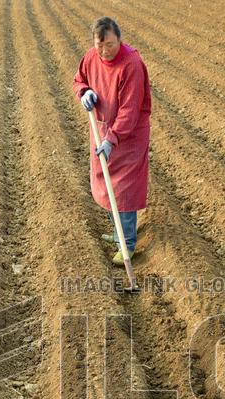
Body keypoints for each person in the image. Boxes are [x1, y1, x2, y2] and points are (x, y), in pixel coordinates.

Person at [73, 16, 151, 267]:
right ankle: (119, 234)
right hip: (103, 130)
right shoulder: (90, 57)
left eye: (110, 45)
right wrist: (84, 92)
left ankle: (127, 244)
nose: (105, 51)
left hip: (128, 135)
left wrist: (112, 139)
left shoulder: (132, 64)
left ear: (120, 40)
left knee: (124, 190)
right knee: (106, 185)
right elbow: (79, 79)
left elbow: (130, 110)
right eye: (100, 45)